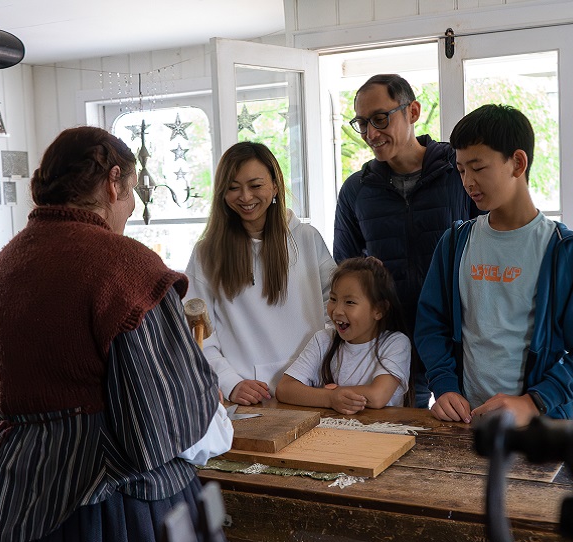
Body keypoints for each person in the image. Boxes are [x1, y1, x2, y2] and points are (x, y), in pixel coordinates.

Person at [0, 126, 232, 542]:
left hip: (8, 503)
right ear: (113, 182)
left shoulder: (8, 261)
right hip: (109, 522)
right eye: (131, 191)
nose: (130, 207)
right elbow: (168, 414)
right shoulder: (126, 267)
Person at [414, 104, 573, 427]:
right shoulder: (454, 243)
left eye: (478, 168)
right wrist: (445, 387)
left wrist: (534, 401)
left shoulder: (568, 252)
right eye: (461, 170)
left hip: (544, 427)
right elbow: (430, 325)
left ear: (517, 163)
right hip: (466, 424)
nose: (468, 181)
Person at [334, 73, 478, 408]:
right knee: (398, 439)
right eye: (362, 123)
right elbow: (345, 268)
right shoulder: (357, 190)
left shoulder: (458, 173)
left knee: (464, 435)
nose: (371, 133)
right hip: (390, 343)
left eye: (380, 119)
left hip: (457, 337)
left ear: (412, 111)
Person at [186, 141, 336, 405]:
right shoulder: (206, 254)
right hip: (246, 399)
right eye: (233, 188)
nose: (245, 197)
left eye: (255, 185)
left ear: (275, 185)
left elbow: (335, 310)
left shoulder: (307, 239)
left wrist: (320, 368)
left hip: (312, 390)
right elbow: (197, 332)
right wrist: (230, 382)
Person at [275, 257, 411, 415]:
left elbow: (377, 396)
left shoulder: (396, 343)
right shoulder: (323, 340)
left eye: (350, 302)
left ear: (379, 309)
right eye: (333, 299)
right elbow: (284, 389)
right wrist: (330, 397)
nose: (337, 310)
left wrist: (328, 393)